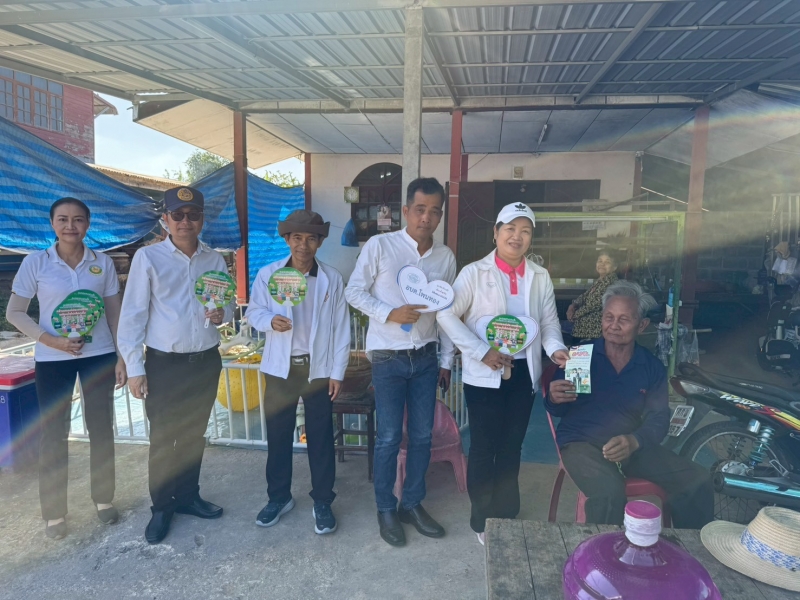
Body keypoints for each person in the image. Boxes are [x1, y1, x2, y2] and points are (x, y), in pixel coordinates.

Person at [436, 202, 569, 545]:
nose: (517, 236)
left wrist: (555, 348)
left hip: (523, 372)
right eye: (510, 229)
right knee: (484, 447)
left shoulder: (539, 276)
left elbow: (549, 322)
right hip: (485, 372)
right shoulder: (473, 273)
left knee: (512, 446)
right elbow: (445, 315)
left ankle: (507, 510)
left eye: (525, 231)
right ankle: (482, 519)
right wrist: (481, 351)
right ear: (495, 233)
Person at [546, 281, 714, 528]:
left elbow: (659, 417)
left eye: (624, 319)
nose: (614, 325)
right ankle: (601, 551)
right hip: (581, 442)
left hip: (630, 445)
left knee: (697, 480)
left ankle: (688, 546)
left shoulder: (650, 367)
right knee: (608, 493)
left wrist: (635, 440)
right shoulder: (581, 355)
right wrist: (553, 398)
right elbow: (558, 408)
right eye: (609, 317)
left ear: (642, 325)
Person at [5, 197, 126, 539]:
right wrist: (51, 341)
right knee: (53, 434)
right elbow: (14, 312)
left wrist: (122, 356)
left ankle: (103, 498)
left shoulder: (102, 263)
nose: (70, 225)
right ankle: (54, 513)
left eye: (78, 219)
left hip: (99, 354)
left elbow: (114, 313)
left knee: (101, 428)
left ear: (88, 224)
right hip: (52, 359)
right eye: (63, 219)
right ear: (52, 224)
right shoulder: (35, 263)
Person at [117, 186, 232, 544]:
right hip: (165, 365)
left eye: (193, 214)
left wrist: (223, 313)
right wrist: (135, 367)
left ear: (202, 219)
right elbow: (133, 316)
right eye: (178, 215)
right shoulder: (148, 259)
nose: (185, 221)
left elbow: (226, 305)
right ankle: (161, 507)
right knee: (164, 438)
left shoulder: (214, 260)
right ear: (165, 219)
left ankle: (187, 496)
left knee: (194, 434)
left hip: (205, 361)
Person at [345, 177, 456, 547]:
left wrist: (446, 360)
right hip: (388, 358)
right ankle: (385, 508)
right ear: (406, 211)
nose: (427, 217)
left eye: (434, 211)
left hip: (425, 358)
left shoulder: (445, 257)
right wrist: (389, 313)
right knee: (390, 436)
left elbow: (446, 314)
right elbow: (353, 291)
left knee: (422, 436)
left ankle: (411, 504)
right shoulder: (381, 246)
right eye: (420, 209)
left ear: (440, 215)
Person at [246, 210, 350, 535]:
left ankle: (323, 500)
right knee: (278, 436)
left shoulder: (331, 278)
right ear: (287, 239)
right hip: (280, 369)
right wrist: (269, 321)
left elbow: (341, 328)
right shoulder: (269, 274)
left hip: (317, 370)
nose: (303, 245)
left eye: (311, 239)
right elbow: (253, 312)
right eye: (297, 238)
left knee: (321, 438)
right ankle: (279, 498)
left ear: (319, 242)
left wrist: (337, 372)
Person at [565, 250, 619, 341]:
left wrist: (572, 316)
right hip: (585, 329)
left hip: (593, 332)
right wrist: (573, 305)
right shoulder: (602, 280)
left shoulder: (609, 282)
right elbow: (585, 295)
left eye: (607, 262)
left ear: (614, 267)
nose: (602, 264)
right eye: (600, 261)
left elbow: (591, 305)